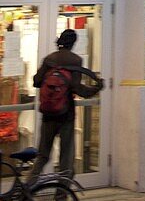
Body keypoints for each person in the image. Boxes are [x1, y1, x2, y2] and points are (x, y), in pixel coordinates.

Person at [27, 29, 104, 185]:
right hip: (66, 115)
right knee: (66, 159)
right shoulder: (75, 61)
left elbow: (36, 81)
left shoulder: (49, 59)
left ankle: (26, 194)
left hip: (48, 115)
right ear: (73, 43)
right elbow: (78, 89)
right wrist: (97, 88)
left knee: (42, 156)